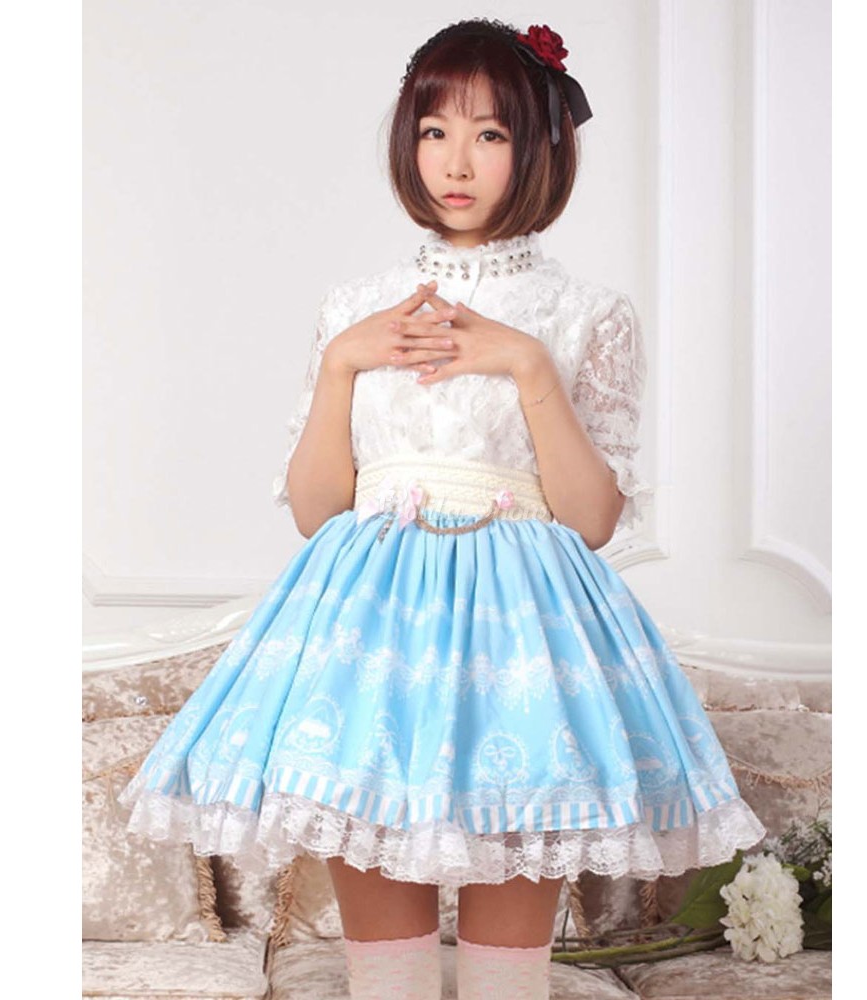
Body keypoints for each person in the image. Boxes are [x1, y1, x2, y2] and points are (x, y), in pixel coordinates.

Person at [116, 17, 767, 1000]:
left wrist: (527, 366)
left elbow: (590, 521)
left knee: (509, 980)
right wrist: (342, 364)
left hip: (525, 652)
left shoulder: (585, 315)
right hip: (369, 646)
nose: (456, 161)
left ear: (539, 147)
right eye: (434, 130)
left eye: (490, 133)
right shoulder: (354, 308)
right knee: (389, 979)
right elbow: (317, 510)